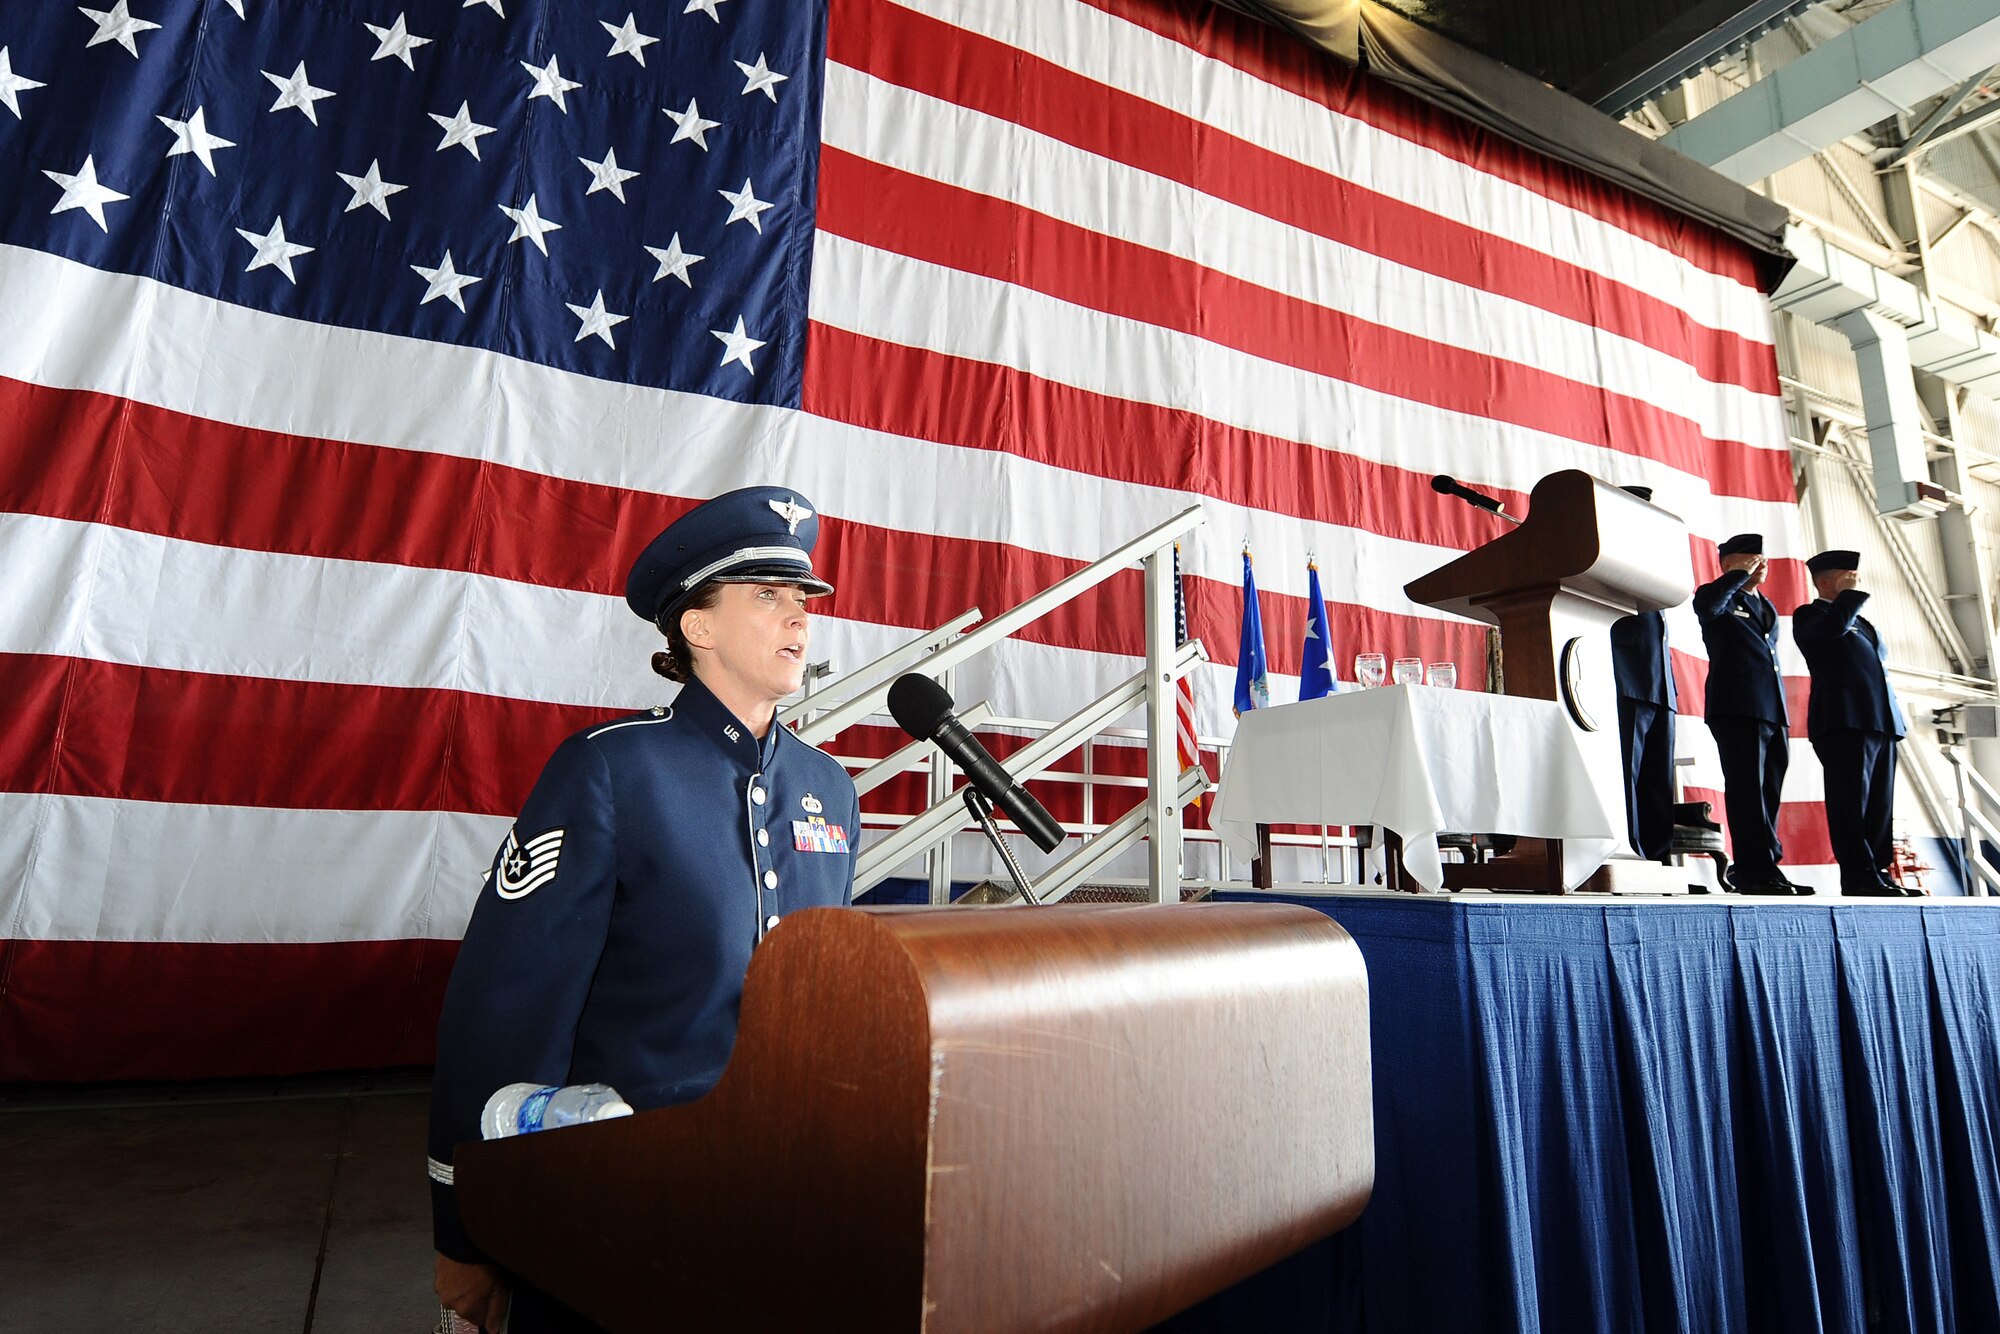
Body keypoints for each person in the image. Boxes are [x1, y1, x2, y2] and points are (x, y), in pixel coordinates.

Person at [428, 487, 861, 1332]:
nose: (799, 618)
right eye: (767, 596)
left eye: (803, 598)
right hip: (619, 1202)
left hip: (782, 1203)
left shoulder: (828, 789)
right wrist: (466, 1226)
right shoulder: (611, 771)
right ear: (696, 628)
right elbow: (507, 1010)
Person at [1792, 549, 1913, 897]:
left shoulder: (1860, 621)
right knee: (1851, 803)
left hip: (1880, 721)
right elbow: (1831, 631)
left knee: (1879, 805)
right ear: (1823, 581)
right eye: (1846, 576)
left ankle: (1877, 869)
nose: (1854, 581)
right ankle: (1858, 875)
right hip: (1843, 720)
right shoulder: (1811, 615)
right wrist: (1848, 597)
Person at [1691, 533, 1802, 895]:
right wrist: (1736, 576)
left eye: (1763, 557)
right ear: (1729, 564)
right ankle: (1754, 870)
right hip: (1737, 706)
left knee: (1769, 791)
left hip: (1771, 708)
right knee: (1747, 790)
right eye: (1752, 558)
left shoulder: (1764, 605)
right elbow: (1709, 608)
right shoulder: (1717, 594)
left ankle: (1766, 864)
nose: (1762, 563)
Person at [1610, 485, 1678, 862]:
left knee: (1657, 784)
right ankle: (1633, 855)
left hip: (1661, 687)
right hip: (1629, 679)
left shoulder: (1653, 557)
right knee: (1628, 778)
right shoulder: (1606, 551)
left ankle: (1659, 859)